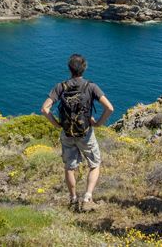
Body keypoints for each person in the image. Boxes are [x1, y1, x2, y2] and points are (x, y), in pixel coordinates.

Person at [40, 54, 114, 211]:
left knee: (69, 167)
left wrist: (57, 124)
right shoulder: (91, 86)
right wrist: (99, 123)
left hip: (67, 133)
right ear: (84, 68)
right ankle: (87, 197)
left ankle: (73, 199)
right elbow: (110, 108)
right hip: (85, 133)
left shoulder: (60, 87)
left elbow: (45, 109)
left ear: (69, 68)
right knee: (95, 164)